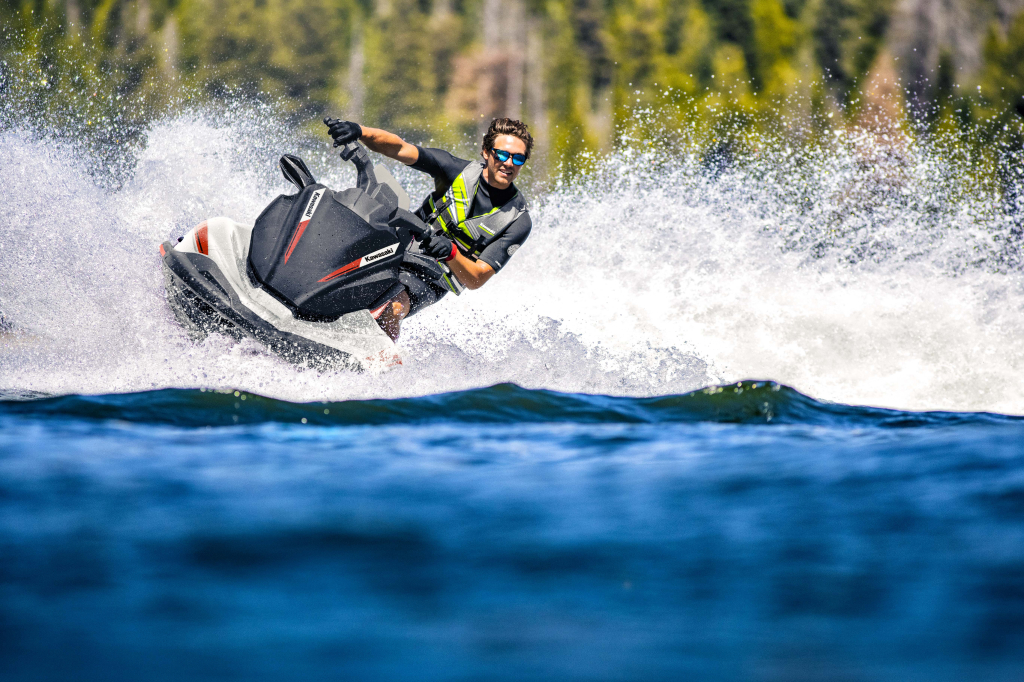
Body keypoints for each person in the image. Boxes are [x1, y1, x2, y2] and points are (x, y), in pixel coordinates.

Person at [322, 116, 533, 324]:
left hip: (430, 277)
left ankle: (375, 347)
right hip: (397, 243)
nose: (508, 163)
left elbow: (476, 278)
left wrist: (451, 253)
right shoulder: (454, 170)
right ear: (486, 152)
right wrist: (360, 131)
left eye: (518, 158)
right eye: (502, 154)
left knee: (393, 307)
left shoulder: (517, 221)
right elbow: (399, 148)